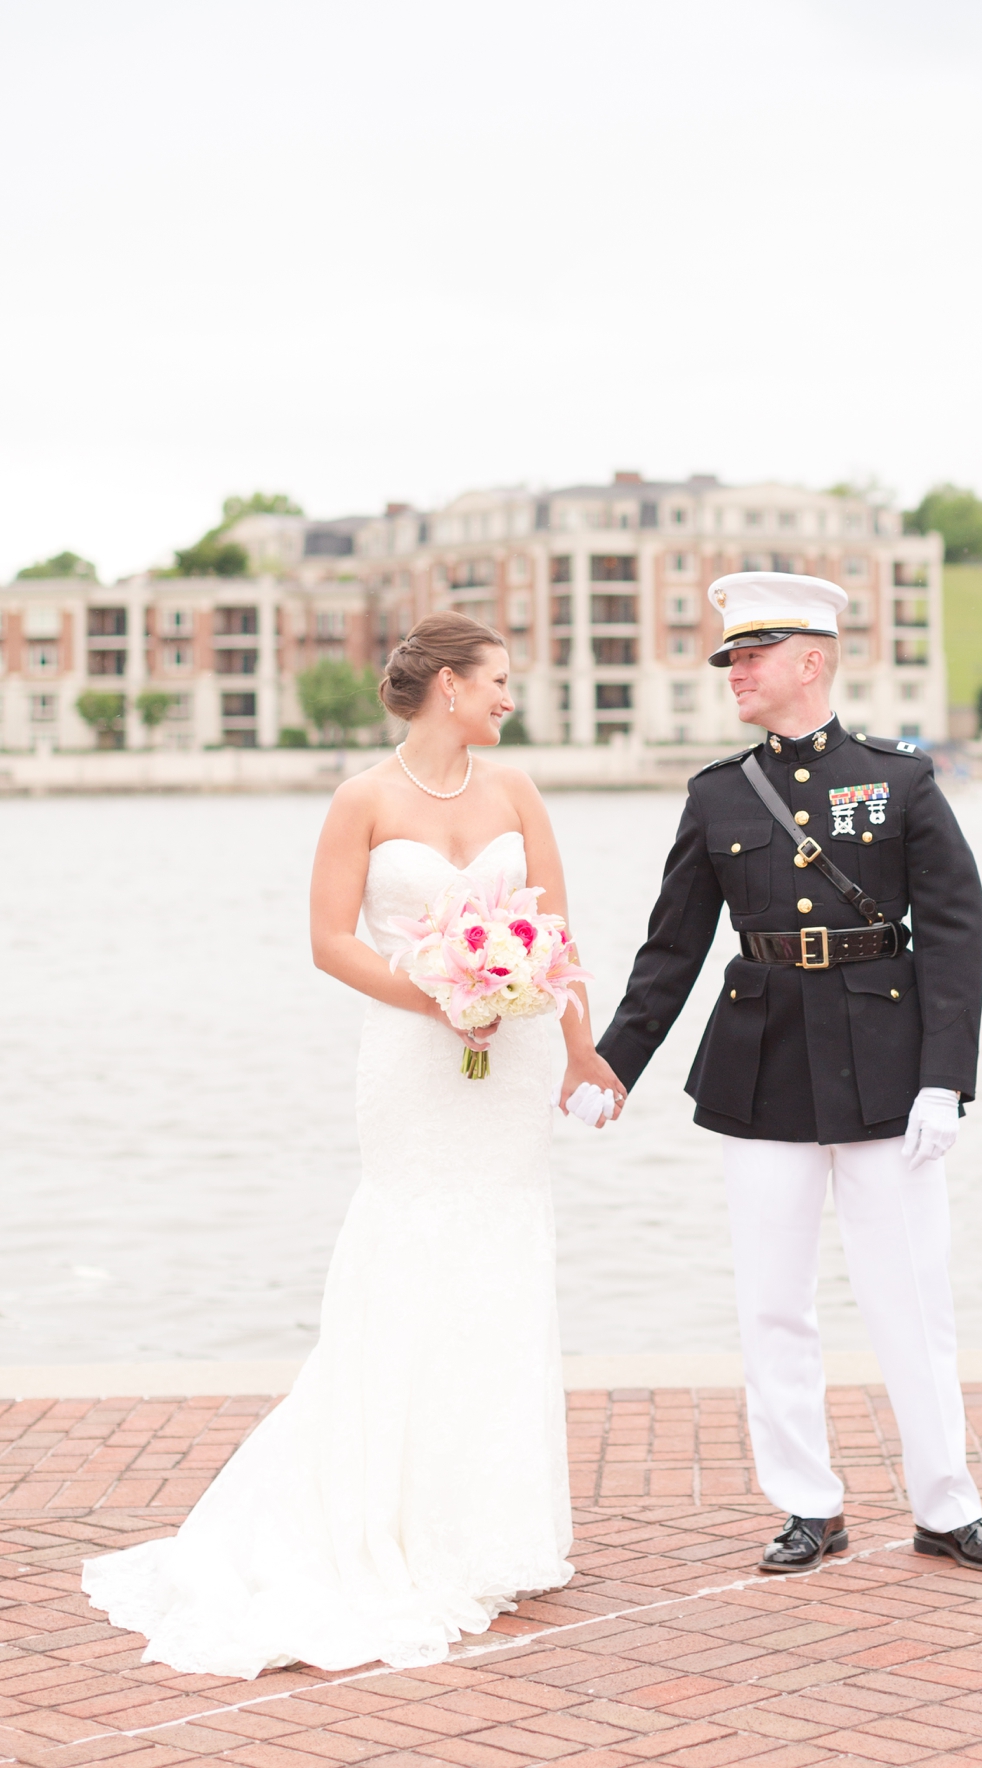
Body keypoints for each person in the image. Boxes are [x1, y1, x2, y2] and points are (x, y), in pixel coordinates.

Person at [83, 612, 624, 1679]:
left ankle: (487, 1525)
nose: (513, 697)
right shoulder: (362, 800)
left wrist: (577, 1048)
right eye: (500, 680)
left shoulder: (517, 794)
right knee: (410, 1259)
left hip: (510, 1061)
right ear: (449, 689)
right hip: (415, 1062)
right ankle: (380, 1514)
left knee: (503, 1266)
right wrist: (437, 995)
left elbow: (553, 934)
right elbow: (330, 940)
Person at [597, 573, 982, 1575]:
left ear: (812, 662)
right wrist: (613, 1065)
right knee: (773, 1301)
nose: (735, 673)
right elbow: (672, 951)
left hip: (888, 1064)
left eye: (752, 655)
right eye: (731, 658)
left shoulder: (902, 781)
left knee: (911, 1298)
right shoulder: (716, 795)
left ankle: (944, 1505)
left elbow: (956, 932)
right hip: (764, 1069)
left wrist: (944, 1078)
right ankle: (807, 1505)